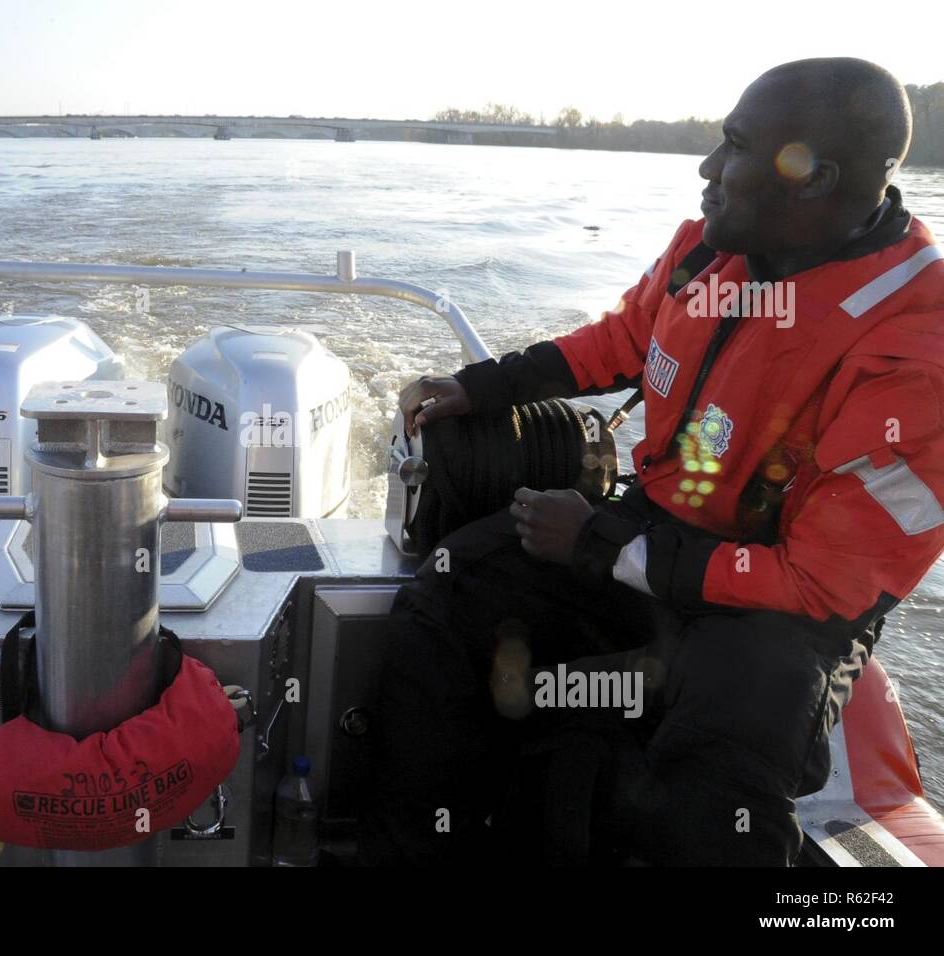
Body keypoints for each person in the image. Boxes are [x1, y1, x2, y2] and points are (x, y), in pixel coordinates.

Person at [361, 57, 944, 866]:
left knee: (714, 782)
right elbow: (627, 339)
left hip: (778, 619)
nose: (707, 170)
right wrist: (479, 386)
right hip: (655, 532)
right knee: (448, 593)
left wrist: (603, 547)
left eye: (733, 147)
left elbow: (819, 585)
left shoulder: (916, 356)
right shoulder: (711, 251)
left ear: (814, 180)